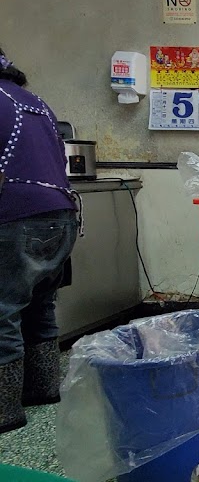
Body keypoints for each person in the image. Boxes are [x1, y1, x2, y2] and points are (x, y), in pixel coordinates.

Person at [0, 47, 79, 434]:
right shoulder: (36, 102)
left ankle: (4, 411)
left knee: (2, 309)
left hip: (16, 214)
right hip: (61, 213)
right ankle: (44, 389)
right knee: (39, 304)